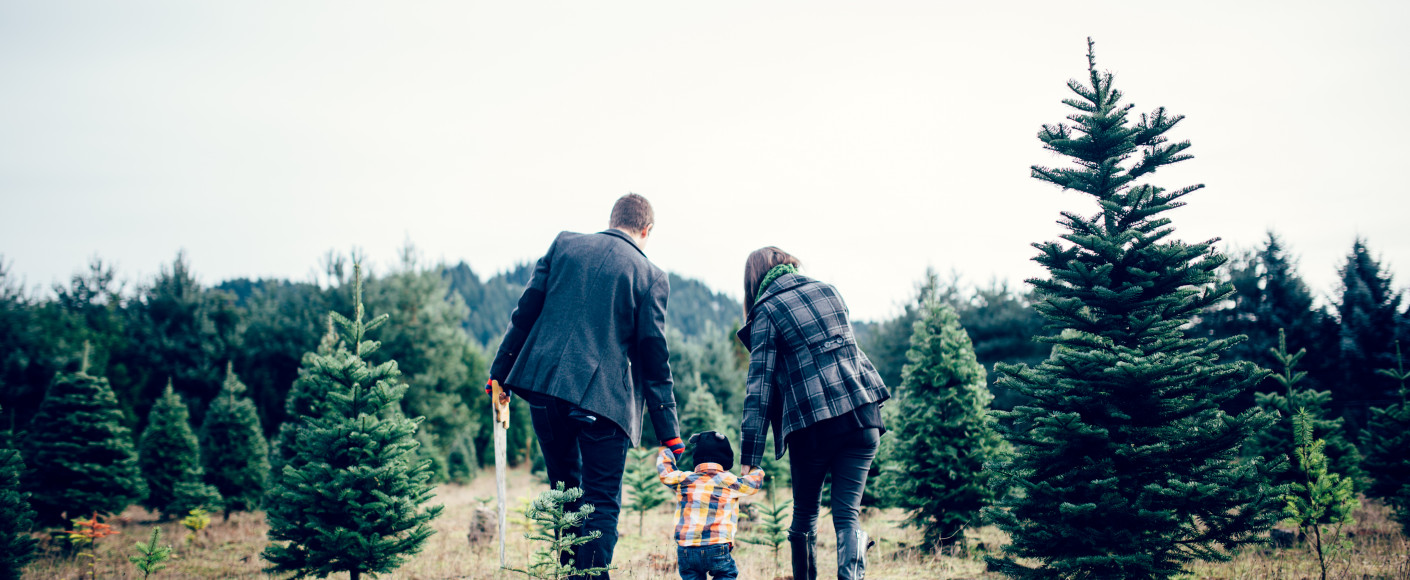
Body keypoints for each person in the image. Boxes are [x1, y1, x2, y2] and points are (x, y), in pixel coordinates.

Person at [488, 193, 684, 578]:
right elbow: (653, 359)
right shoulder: (650, 276)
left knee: (564, 489)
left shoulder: (564, 243)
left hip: (544, 386)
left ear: (612, 220)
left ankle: (567, 574)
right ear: (646, 231)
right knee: (600, 500)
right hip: (605, 401)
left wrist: (499, 372)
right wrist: (670, 435)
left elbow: (525, 311)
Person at [735, 247, 889, 580]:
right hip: (863, 414)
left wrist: (750, 455)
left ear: (753, 280)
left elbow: (758, 387)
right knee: (847, 515)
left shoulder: (767, 310)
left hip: (813, 425)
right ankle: (854, 566)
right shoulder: (828, 290)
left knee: (805, 516)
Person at [656, 431, 764, 580]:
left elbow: (665, 473)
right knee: (726, 574)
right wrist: (754, 467)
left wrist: (665, 450)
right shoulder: (729, 481)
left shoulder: (684, 479)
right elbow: (754, 483)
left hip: (687, 547)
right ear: (726, 460)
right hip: (717, 545)